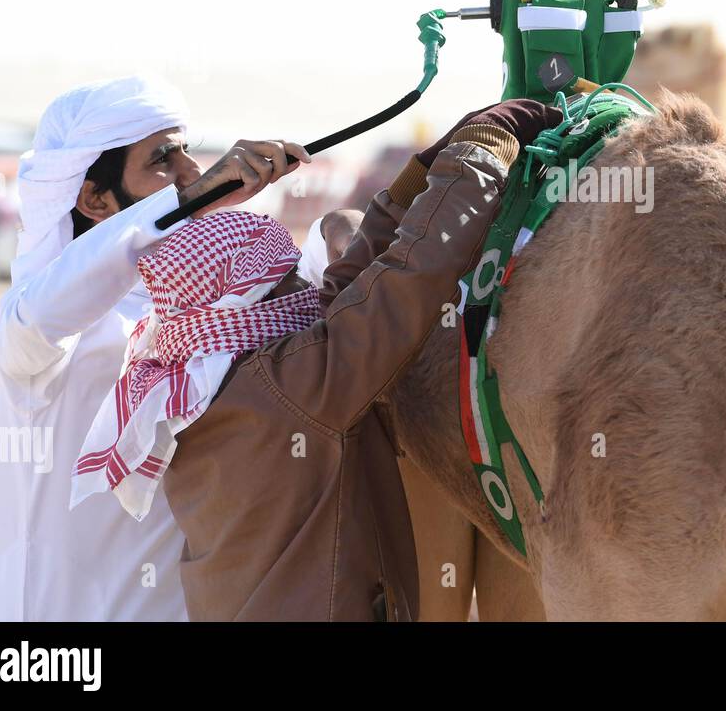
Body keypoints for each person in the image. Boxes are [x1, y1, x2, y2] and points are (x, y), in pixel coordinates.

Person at [71, 100, 560, 620]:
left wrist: (414, 182)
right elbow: (408, 283)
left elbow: (332, 302)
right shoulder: (291, 386)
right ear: (244, 297)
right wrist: (482, 151)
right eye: (281, 279)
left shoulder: (198, 376)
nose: (298, 283)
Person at [0, 74, 306, 620]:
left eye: (188, 156)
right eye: (163, 161)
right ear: (94, 199)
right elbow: (57, 302)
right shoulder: (30, 331)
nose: (192, 173)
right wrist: (189, 200)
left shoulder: (202, 316)